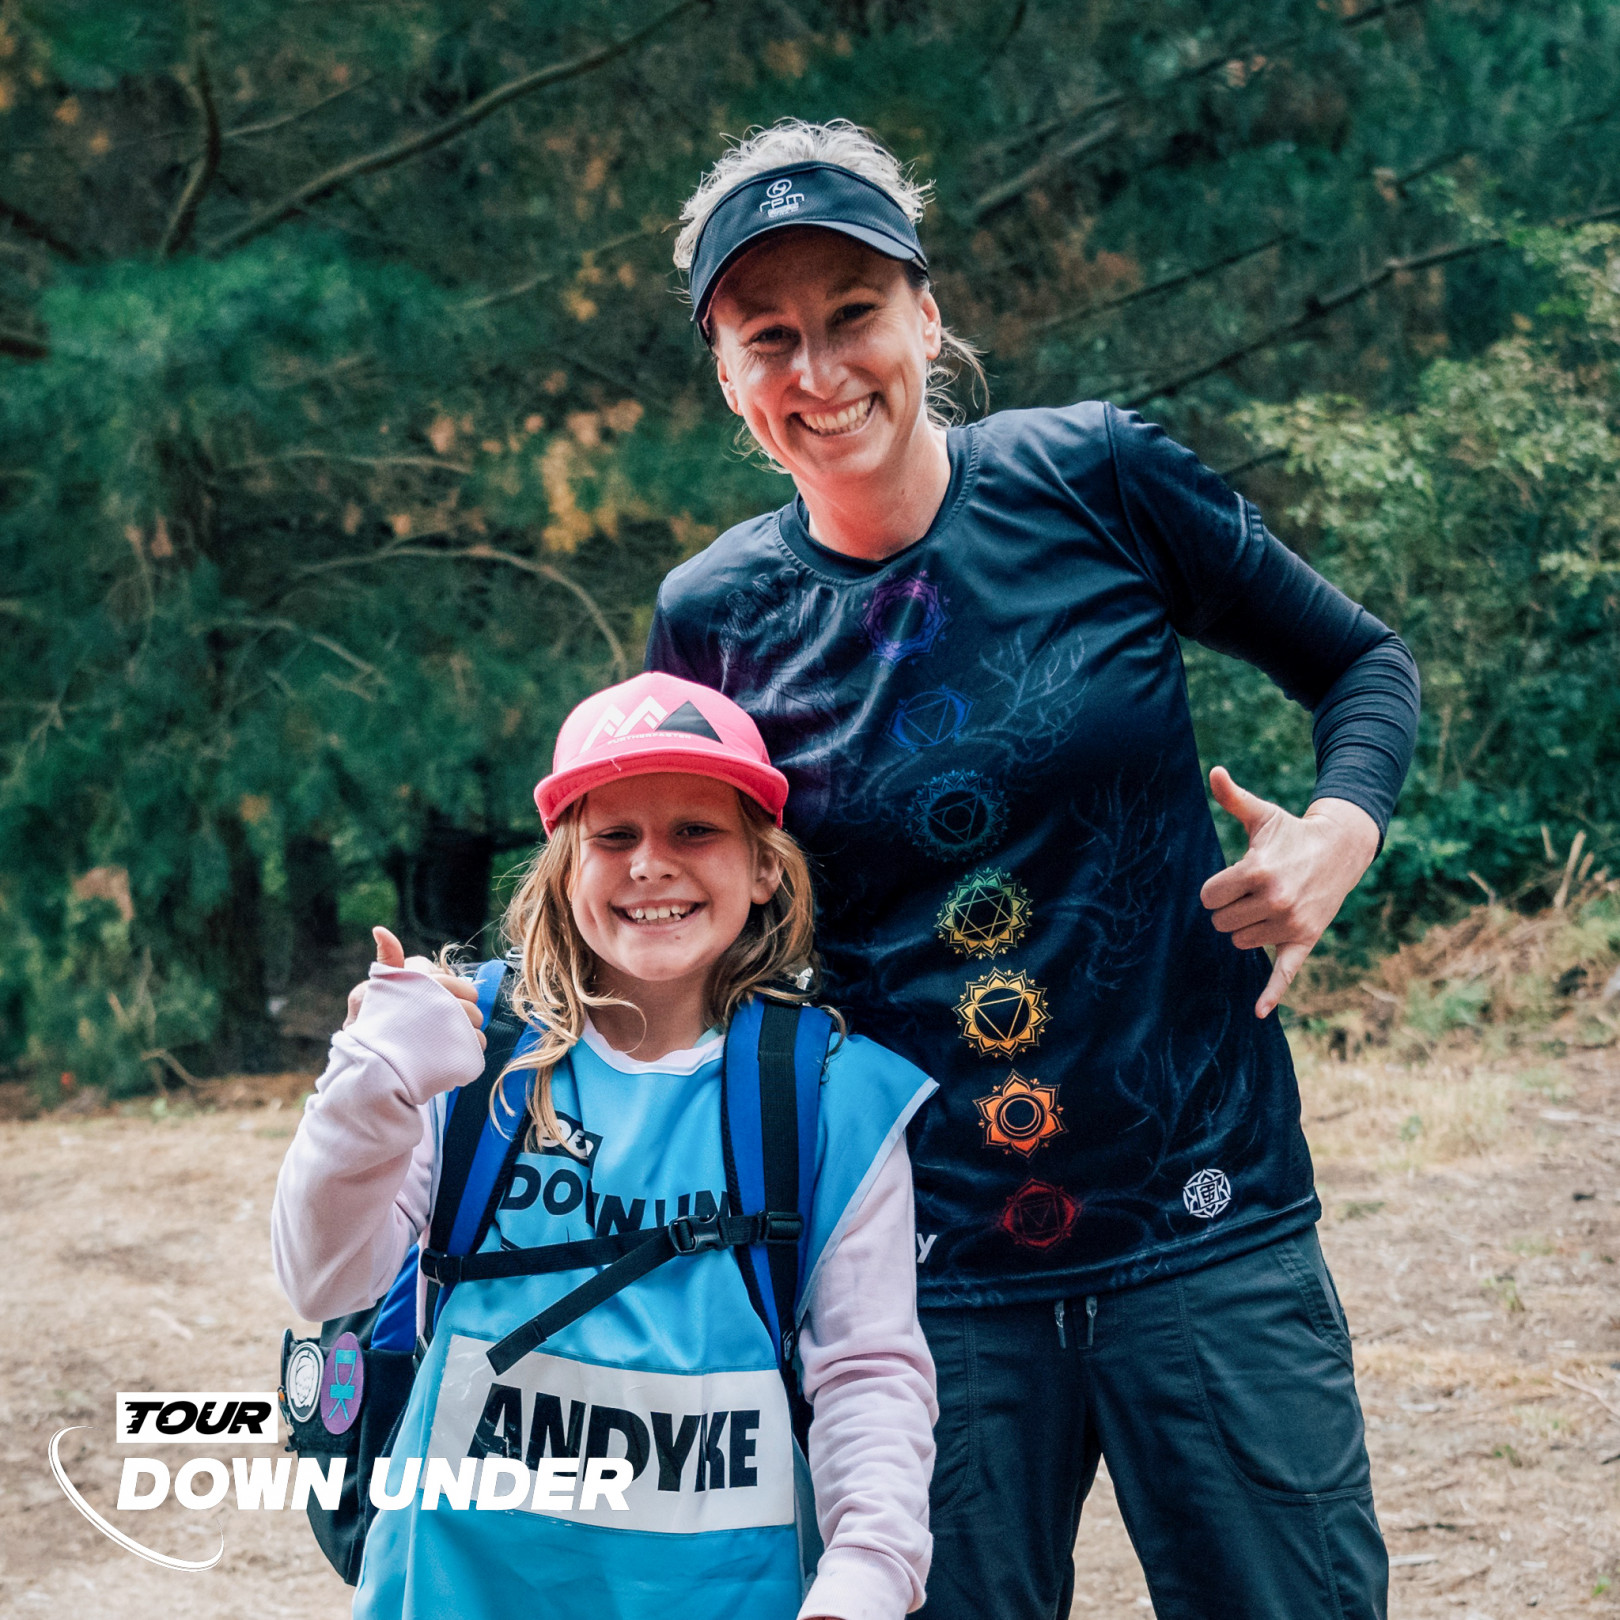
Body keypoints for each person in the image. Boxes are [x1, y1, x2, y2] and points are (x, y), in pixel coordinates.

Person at [644, 119, 1422, 1620]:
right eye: (769, 338)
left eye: (853, 314)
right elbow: (679, 911)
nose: (820, 369)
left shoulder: (1097, 478)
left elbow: (1360, 665)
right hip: (915, 1278)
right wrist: (501, 1032)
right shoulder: (715, 618)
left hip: (1209, 1219)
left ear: (928, 319)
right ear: (730, 379)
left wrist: (1339, 830)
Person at [271, 671, 939, 1620]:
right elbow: (323, 1279)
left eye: (695, 831)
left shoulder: (832, 1094)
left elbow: (868, 1377)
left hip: (725, 1598)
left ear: (763, 869)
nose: (650, 865)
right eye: (613, 837)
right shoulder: (464, 1050)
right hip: (456, 1589)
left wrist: (867, 1574)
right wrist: (368, 1083)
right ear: (564, 871)